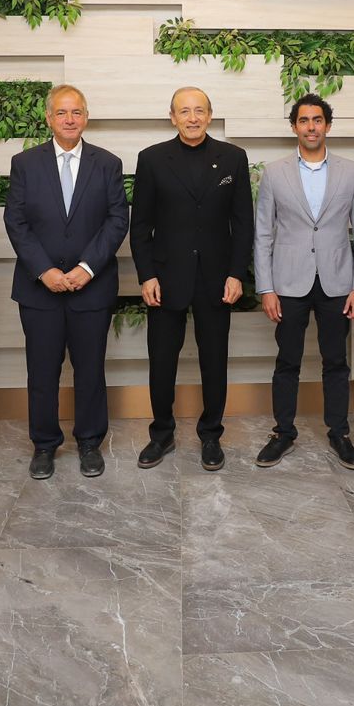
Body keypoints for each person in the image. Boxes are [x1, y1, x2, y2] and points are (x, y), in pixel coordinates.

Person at [4, 85, 129, 479]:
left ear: (86, 117)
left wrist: (87, 268)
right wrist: (45, 271)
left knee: (90, 370)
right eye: (62, 112)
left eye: (76, 112)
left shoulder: (107, 163)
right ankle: (44, 444)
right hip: (39, 290)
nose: (69, 119)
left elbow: (117, 220)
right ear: (49, 118)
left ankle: (89, 443)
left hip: (92, 287)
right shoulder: (25, 163)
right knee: (42, 372)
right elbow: (16, 221)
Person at [130, 86, 252, 472]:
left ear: (210, 115)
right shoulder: (151, 159)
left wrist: (236, 273)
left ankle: (211, 435)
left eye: (200, 110)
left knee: (214, 360)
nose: (193, 118)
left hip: (216, 279)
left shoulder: (233, 158)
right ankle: (161, 434)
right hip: (166, 278)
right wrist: (147, 275)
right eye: (184, 111)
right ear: (173, 117)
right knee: (161, 360)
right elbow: (140, 226)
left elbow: (243, 224)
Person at [253, 93, 354, 470]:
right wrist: (266, 288)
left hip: (338, 283)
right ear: (294, 127)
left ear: (328, 126)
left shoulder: (351, 171)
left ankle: (339, 433)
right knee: (287, 361)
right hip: (288, 283)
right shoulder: (275, 172)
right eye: (303, 120)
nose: (311, 127)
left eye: (317, 120)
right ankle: (283, 433)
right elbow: (263, 233)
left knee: (336, 361)